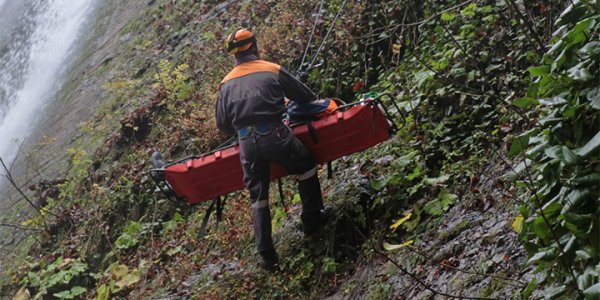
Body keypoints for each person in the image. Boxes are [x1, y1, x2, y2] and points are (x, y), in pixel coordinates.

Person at [215, 28, 331, 271]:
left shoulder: (225, 84)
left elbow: (223, 125)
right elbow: (306, 96)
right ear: (255, 46)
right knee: (306, 166)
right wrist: (281, 103)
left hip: (246, 143)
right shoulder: (271, 69)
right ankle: (312, 220)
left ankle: (266, 253)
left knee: (258, 195)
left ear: (233, 56)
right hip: (275, 135)